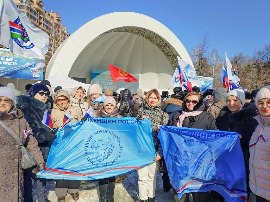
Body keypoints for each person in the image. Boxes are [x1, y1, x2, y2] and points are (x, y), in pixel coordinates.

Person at [172, 91, 217, 202]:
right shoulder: (178, 115)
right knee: (181, 194)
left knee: (200, 194)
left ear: (200, 102)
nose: (190, 103)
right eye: (187, 101)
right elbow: (171, 134)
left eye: (194, 101)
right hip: (181, 160)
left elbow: (215, 136)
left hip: (200, 162)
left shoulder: (207, 117)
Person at [0, 87, 44, 202]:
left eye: (6, 100)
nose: (3, 103)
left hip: (17, 171)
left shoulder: (20, 120)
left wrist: (39, 161)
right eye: (0, 100)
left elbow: (30, 141)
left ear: (12, 103)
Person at [216, 88, 258, 199]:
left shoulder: (251, 119)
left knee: (242, 189)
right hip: (226, 159)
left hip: (243, 159)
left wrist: (241, 138)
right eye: (228, 100)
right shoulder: (222, 118)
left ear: (242, 101)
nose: (231, 103)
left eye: (235, 100)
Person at [17, 83, 56, 202]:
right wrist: (49, 135)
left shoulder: (45, 108)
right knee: (32, 177)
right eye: (41, 93)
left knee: (41, 175)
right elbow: (31, 131)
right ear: (33, 94)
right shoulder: (28, 108)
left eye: (47, 94)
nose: (44, 96)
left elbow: (46, 127)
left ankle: (42, 197)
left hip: (44, 148)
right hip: (32, 148)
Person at [136, 89, 169, 202]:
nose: (153, 100)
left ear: (158, 99)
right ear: (147, 98)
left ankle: (151, 198)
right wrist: (140, 120)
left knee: (152, 177)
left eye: (155, 98)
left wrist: (160, 153)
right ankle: (143, 199)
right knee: (142, 177)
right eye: (151, 97)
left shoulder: (163, 115)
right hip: (142, 151)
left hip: (155, 151)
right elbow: (134, 131)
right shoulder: (140, 112)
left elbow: (164, 137)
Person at [51, 89, 82, 202]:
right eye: (59, 100)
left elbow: (82, 124)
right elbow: (49, 128)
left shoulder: (75, 109)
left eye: (64, 99)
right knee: (61, 170)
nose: (62, 102)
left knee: (74, 168)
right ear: (56, 101)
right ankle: (61, 193)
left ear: (68, 100)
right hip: (60, 146)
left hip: (74, 145)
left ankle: (74, 190)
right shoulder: (52, 112)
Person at [98, 96, 122, 202]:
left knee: (112, 174)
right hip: (101, 151)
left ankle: (110, 196)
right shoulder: (98, 118)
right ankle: (103, 197)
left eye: (111, 105)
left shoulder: (120, 118)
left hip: (114, 150)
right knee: (102, 174)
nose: (109, 107)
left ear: (114, 106)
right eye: (107, 104)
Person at [249, 86, 270, 202]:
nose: (265, 106)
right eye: (261, 103)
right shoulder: (259, 125)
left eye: (269, 102)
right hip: (258, 189)